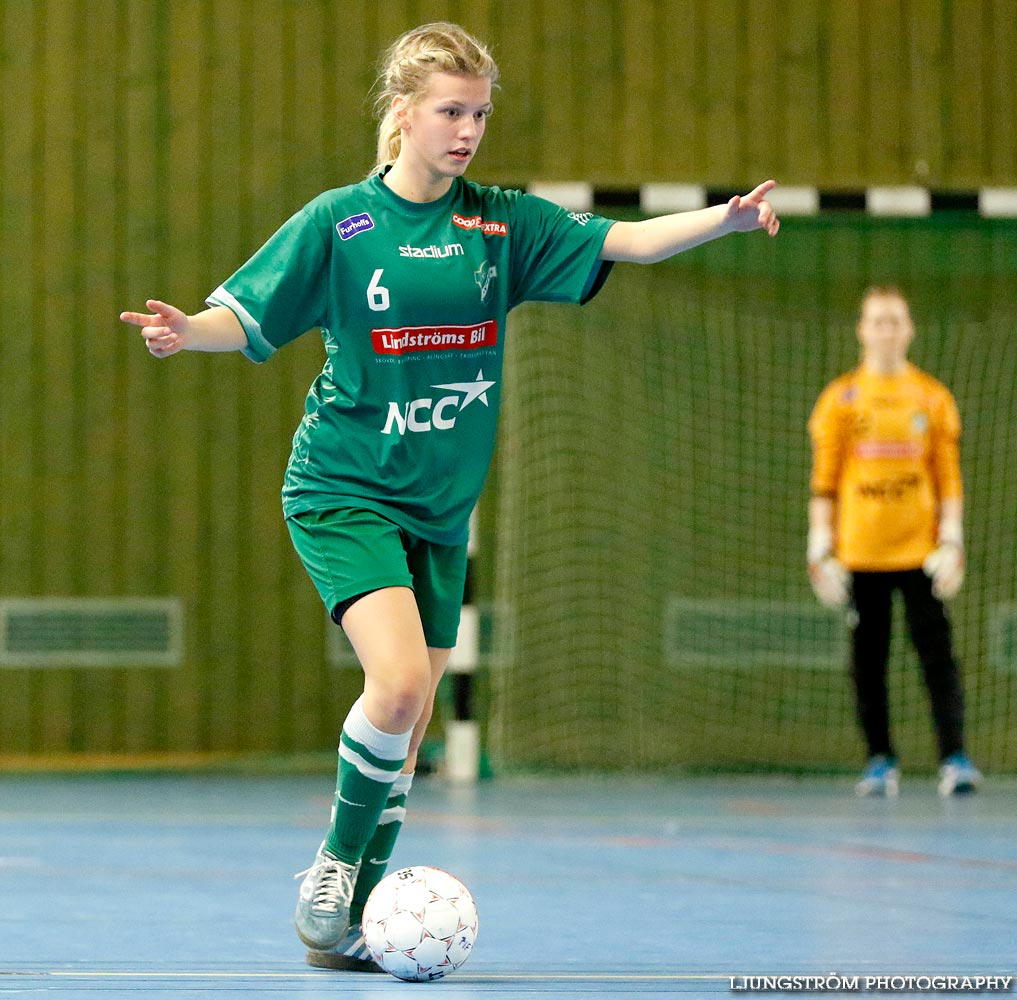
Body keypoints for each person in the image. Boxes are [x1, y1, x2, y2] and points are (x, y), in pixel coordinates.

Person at [121, 21, 779, 971]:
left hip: (439, 511)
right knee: (394, 687)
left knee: (414, 716)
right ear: (403, 113)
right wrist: (191, 330)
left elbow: (628, 240)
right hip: (343, 488)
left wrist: (722, 219)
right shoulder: (340, 223)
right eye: (450, 111)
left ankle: (347, 926)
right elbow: (249, 315)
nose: (468, 130)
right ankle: (335, 872)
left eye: (479, 113)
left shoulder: (501, 224)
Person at [806, 286, 982, 799]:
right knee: (867, 660)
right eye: (877, 320)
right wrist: (820, 549)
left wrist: (952, 541)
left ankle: (954, 757)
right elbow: (825, 484)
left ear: (909, 330)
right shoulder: (840, 401)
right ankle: (880, 761)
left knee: (937, 656)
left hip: (919, 553)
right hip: (860, 554)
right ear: (862, 330)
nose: (886, 329)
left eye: (895, 320)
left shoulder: (932, 398)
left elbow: (949, 481)